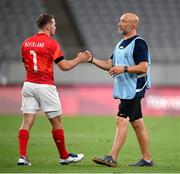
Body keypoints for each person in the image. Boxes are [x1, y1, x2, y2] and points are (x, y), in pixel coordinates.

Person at [17, 13, 89, 166]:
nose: (55, 27)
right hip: (45, 86)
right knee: (57, 122)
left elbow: (26, 63)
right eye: (54, 24)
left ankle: (22, 156)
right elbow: (64, 66)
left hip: (28, 85)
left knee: (27, 121)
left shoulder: (26, 43)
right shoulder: (51, 44)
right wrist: (79, 59)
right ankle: (64, 156)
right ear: (48, 26)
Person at [87, 12, 153, 167]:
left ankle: (112, 157)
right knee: (137, 123)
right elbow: (109, 64)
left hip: (134, 88)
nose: (119, 23)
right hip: (126, 89)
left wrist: (123, 68)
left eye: (123, 21)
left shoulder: (139, 43)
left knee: (121, 119)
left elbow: (144, 67)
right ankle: (147, 159)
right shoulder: (120, 44)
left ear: (133, 25)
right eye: (120, 21)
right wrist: (90, 59)